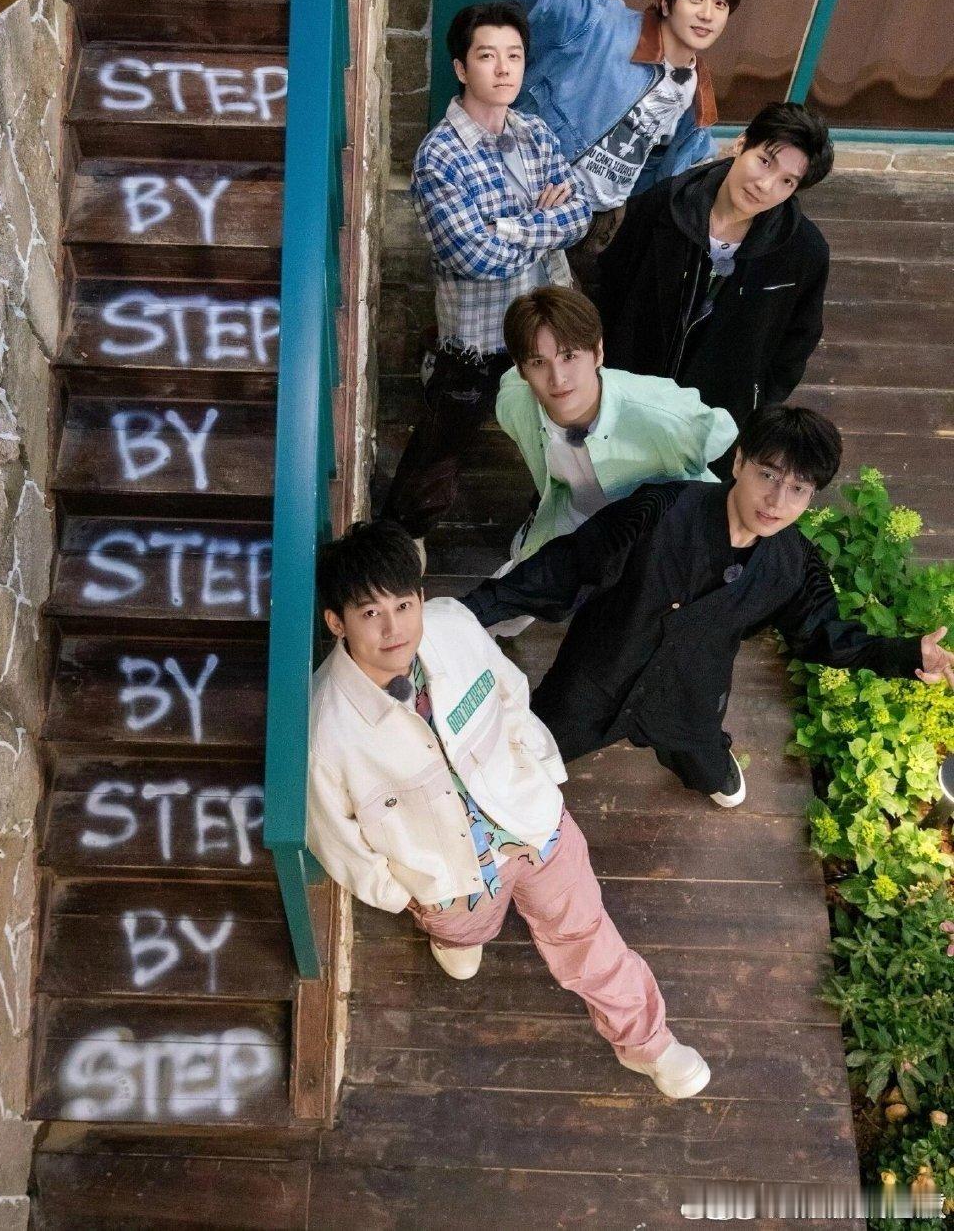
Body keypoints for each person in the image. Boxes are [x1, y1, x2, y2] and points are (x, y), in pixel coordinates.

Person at [307, 519, 713, 1100]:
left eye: (404, 604)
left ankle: (648, 1043)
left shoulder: (453, 625)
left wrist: (541, 772)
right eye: (371, 613)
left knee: (585, 935)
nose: (394, 628)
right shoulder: (326, 727)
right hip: (451, 884)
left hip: (532, 824)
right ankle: (456, 938)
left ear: (421, 598)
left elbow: (511, 692)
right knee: (467, 933)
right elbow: (333, 834)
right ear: (336, 622)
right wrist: (405, 895)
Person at [462, 406, 954, 804]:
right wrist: (469, 613)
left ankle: (710, 766)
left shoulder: (795, 564)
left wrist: (908, 654)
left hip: (690, 692)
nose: (777, 500)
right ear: (739, 463)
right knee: (529, 756)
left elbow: (822, 634)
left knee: (707, 765)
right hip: (597, 674)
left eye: (798, 488)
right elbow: (565, 568)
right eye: (768, 474)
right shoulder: (660, 511)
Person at [380, 0, 593, 547]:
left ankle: (547, 535)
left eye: (514, 56)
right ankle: (400, 548)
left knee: (569, 441)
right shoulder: (440, 156)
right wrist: (539, 224)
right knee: (438, 456)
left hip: (544, 329)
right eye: (487, 56)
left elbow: (578, 217)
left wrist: (509, 227)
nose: (503, 69)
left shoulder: (535, 133)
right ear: (460, 67)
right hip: (476, 341)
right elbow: (472, 256)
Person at [513, 0, 745, 280]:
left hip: (598, 226)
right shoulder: (603, 24)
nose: (708, 14)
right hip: (531, 194)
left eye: (720, 3)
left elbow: (671, 166)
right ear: (666, 1)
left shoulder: (696, 92)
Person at [592, 101, 834, 440]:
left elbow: (798, 341)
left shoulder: (804, 251)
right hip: (628, 399)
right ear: (741, 143)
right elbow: (608, 286)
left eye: (787, 181)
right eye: (765, 161)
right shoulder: (664, 204)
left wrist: (755, 401)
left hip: (715, 424)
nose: (766, 185)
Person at [497, 285, 736, 561]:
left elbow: (723, 434)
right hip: (576, 523)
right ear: (521, 369)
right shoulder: (515, 404)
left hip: (660, 537)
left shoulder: (660, 411)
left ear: (598, 352)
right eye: (539, 362)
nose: (557, 378)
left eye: (569, 356)